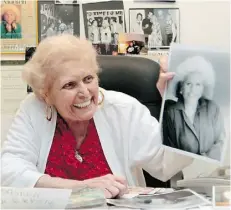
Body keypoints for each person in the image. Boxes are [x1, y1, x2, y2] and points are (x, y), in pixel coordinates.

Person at [1, 34, 192, 199]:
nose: (85, 92)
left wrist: (180, 109)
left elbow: (166, 163)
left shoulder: (122, 109)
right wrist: (81, 188)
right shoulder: (33, 109)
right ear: (46, 94)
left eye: (88, 79)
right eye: (70, 85)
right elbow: (9, 172)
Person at [163, 56, 225, 161]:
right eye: (188, 84)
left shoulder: (213, 108)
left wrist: (205, 160)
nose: (193, 90)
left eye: (198, 84)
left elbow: (220, 141)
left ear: (203, 89)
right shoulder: (170, 113)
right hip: (182, 168)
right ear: (181, 87)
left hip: (209, 167)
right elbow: (169, 149)